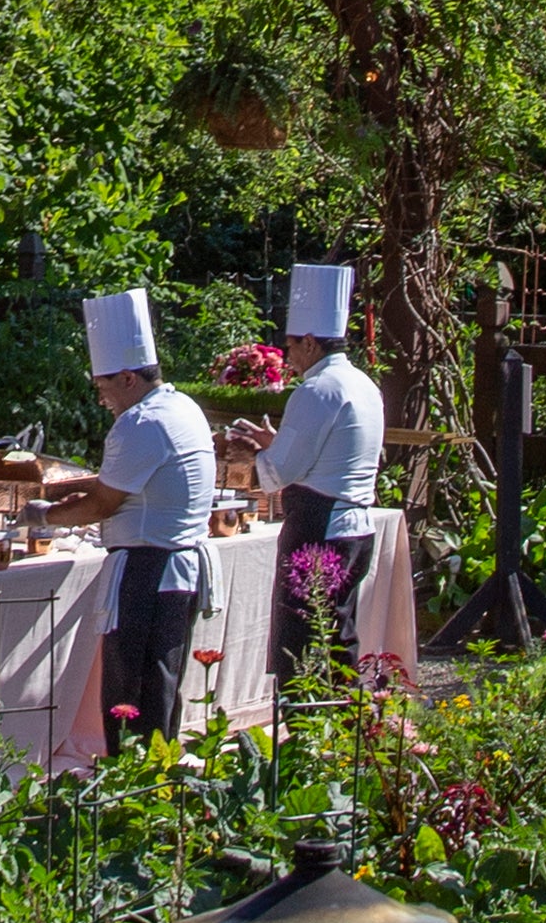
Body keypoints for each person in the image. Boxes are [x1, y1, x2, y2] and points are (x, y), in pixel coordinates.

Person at [50, 285, 219, 744]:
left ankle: (135, 783)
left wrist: (43, 518)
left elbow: (105, 502)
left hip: (149, 569)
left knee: (133, 687)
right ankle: (155, 774)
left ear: (128, 378)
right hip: (177, 565)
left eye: (104, 387)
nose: (102, 399)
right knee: (160, 682)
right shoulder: (183, 406)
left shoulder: (140, 423)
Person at [256, 259, 384, 657]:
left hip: (322, 526)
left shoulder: (317, 390)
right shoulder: (362, 383)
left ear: (310, 342)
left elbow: (279, 473)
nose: (288, 356)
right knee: (337, 633)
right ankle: (349, 717)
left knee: (306, 640)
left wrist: (258, 452)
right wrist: (274, 444)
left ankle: (313, 718)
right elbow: (330, 452)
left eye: (291, 346)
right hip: (356, 524)